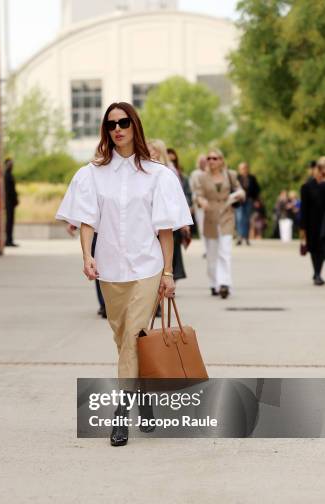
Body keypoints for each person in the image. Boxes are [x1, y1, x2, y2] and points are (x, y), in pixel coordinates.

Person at [55, 102, 193, 446]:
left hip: (147, 267)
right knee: (124, 341)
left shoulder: (157, 174)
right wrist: (86, 255)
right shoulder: (92, 174)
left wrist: (167, 273)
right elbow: (87, 220)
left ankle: (121, 416)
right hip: (110, 271)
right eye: (111, 124)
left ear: (135, 126)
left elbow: (166, 230)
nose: (117, 129)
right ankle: (143, 396)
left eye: (124, 122)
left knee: (132, 338)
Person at [194, 148, 245, 298]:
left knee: (225, 251)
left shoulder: (231, 175)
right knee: (212, 255)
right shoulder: (202, 177)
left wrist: (239, 194)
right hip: (210, 217)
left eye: (215, 158)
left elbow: (239, 190)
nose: (211, 161)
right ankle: (213, 283)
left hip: (226, 215)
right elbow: (197, 194)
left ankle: (225, 284)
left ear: (221, 160)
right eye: (209, 158)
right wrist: (200, 200)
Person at [147, 140, 191, 284]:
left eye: (153, 150)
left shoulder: (168, 171)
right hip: (151, 221)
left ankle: (166, 278)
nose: (151, 153)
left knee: (168, 252)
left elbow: (178, 196)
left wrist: (183, 222)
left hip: (167, 218)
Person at [300, 160, 325, 285]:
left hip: (324, 222)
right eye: (317, 169)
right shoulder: (306, 187)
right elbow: (303, 209)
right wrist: (302, 228)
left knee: (322, 249)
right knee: (314, 249)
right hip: (312, 223)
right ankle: (317, 273)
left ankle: (317, 273)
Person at [236, 162, 261, 245]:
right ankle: (239, 236)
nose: (244, 170)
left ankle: (246, 237)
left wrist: (256, 200)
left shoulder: (252, 178)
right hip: (239, 201)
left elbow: (257, 190)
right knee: (239, 218)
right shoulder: (237, 178)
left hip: (249, 200)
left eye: (245, 168)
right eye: (242, 168)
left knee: (247, 219)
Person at [190, 154, 207, 251]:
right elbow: (193, 189)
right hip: (199, 204)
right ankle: (205, 248)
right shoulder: (195, 174)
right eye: (201, 161)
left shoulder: (210, 173)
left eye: (204, 161)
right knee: (202, 226)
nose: (203, 163)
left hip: (211, 204)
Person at [4, 158, 19, 247]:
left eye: (12, 164)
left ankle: (10, 239)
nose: (11, 166)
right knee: (9, 221)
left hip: (11, 202)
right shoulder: (6, 175)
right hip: (9, 202)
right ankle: (8, 240)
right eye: (10, 164)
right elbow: (9, 191)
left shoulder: (10, 175)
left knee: (11, 221)